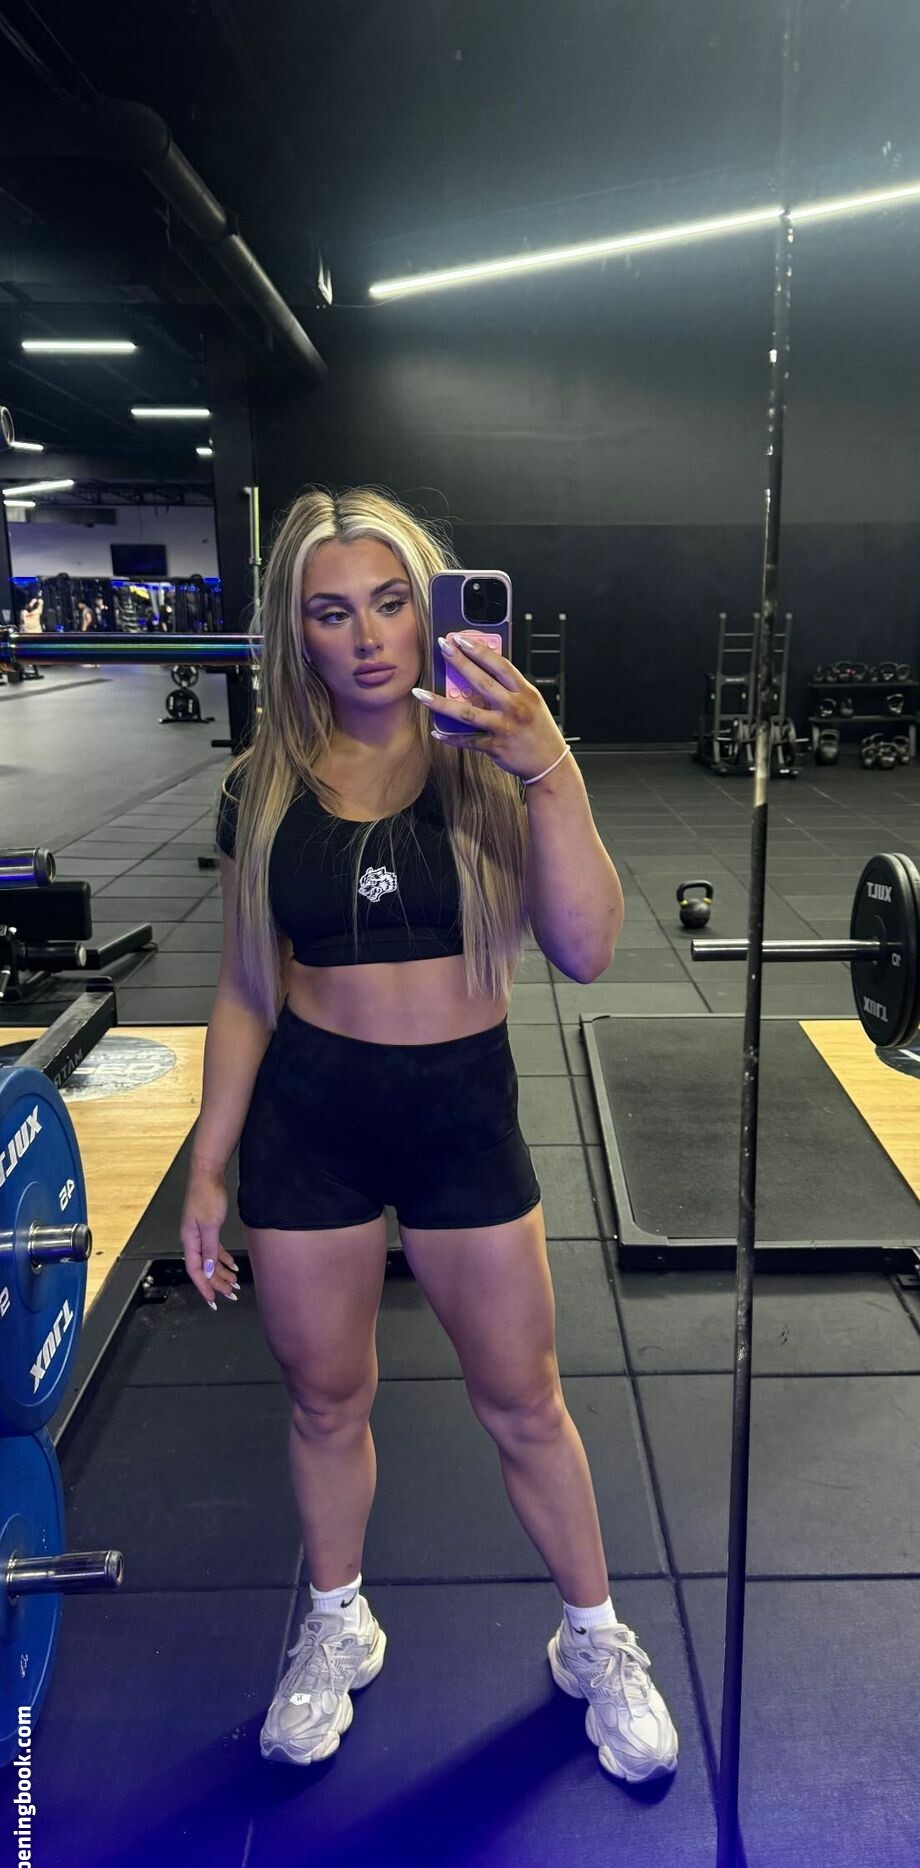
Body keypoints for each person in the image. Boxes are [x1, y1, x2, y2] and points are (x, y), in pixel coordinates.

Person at [180, 487, 679, 1784]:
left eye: (390, 603)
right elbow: (245, 987)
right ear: (295, 632)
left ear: (429, 608)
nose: (365, 638)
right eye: (330, 612)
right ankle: (337, 1622)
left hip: (462, 1114)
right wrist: (207, 1164)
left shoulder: (492, 762)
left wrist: (549, 764)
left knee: (525, 1401)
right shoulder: (260, 787)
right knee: (324, 1398)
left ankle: (594, 1636)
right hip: (313, 1120)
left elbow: (587, 949)